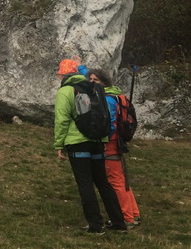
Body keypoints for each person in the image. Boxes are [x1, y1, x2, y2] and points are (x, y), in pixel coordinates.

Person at [53, 58, 128, 234]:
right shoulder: (95, 87)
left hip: (78, 142)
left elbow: (62, 119)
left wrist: (59, 144)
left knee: (85, 183)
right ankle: (119, 223)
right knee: (102, 181)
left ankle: (95, 225)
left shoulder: (66, 90)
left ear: (62, 75)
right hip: (97, 141)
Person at [88, 68, 141, 227]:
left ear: (103, 82)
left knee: (115, 181)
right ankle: (134, 214)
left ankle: (126, 217)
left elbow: (109, 123)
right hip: (117, 142)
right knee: (122, 180)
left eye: (95, 80)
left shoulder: (108, 100)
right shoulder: (117, 95)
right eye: (90, 79)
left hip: (109, 143)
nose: (91, 82)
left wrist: (102, 139)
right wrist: (79, 66)